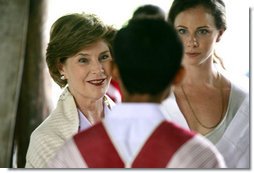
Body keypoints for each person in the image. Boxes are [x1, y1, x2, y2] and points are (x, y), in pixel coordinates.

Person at [47, 18, 226, 168]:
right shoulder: (200, 156)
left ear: (114, 70)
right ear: (178, 76)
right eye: (83, 60)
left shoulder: (70, 155)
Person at [160, 0, 249, 168]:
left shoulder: (244, 99)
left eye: (202, 31)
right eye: (182, 31)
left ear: (220, 33)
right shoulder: (152, 96)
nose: (191, 42)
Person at [25, 13, 116, 168]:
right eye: (83, 60)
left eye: (103, 57)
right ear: (61, 67)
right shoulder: (46, 139)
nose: (98, 69)